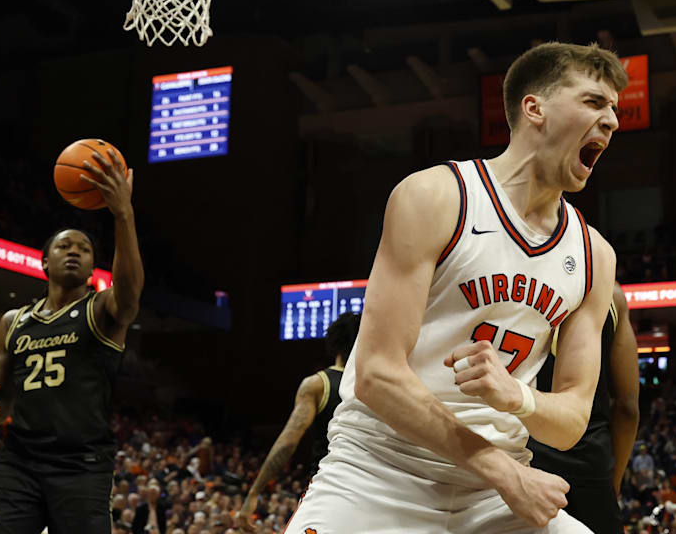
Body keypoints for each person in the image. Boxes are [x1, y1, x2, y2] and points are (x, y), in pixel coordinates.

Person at [282, 42, 625, 533]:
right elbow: (377, 373)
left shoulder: (595, 256)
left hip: (492, 496)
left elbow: (572, 421)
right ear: (535, 109)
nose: (612, 120)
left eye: (614, 108)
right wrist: (505, 471)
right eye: (594, 102)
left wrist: (518, 398)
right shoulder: (436, 196)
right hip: (378, 472)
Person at [0, 146, 143, 534]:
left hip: (81, 465)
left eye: (84, 249)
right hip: (20, 461)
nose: (75, 252)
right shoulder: (14, 321)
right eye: (65, 246)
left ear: (91, 267)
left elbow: (130, 292)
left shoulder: (102, 312)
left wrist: (122, 214)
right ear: (44, 261)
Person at [526, 283, 640, 533]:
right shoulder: (611, 293)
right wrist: (614, 481)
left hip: (524, 458)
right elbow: (628, 408)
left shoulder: (517, 277)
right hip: (590, 462)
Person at [238, 313, 360, 530]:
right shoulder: (376, 387)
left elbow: (287, 444)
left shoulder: (318, 384)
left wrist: (254, 492)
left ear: (334, 342)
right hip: (366, 490)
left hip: (327, 489)